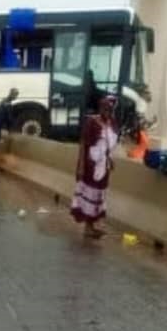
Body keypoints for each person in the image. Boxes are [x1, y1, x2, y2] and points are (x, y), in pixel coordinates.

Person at [71, 95, 119, 238]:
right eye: (105, 108)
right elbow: (83, 144)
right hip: (91, 165)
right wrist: (80, 166)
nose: (107, 111)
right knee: (90, 193)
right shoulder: (92, 122)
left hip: (104, 166)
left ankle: (91, 226)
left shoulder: (112, 123)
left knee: (99, 195)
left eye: (110, 109)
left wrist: (110, 159)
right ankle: (88, 227)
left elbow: (108, 145)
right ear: (100, 108)